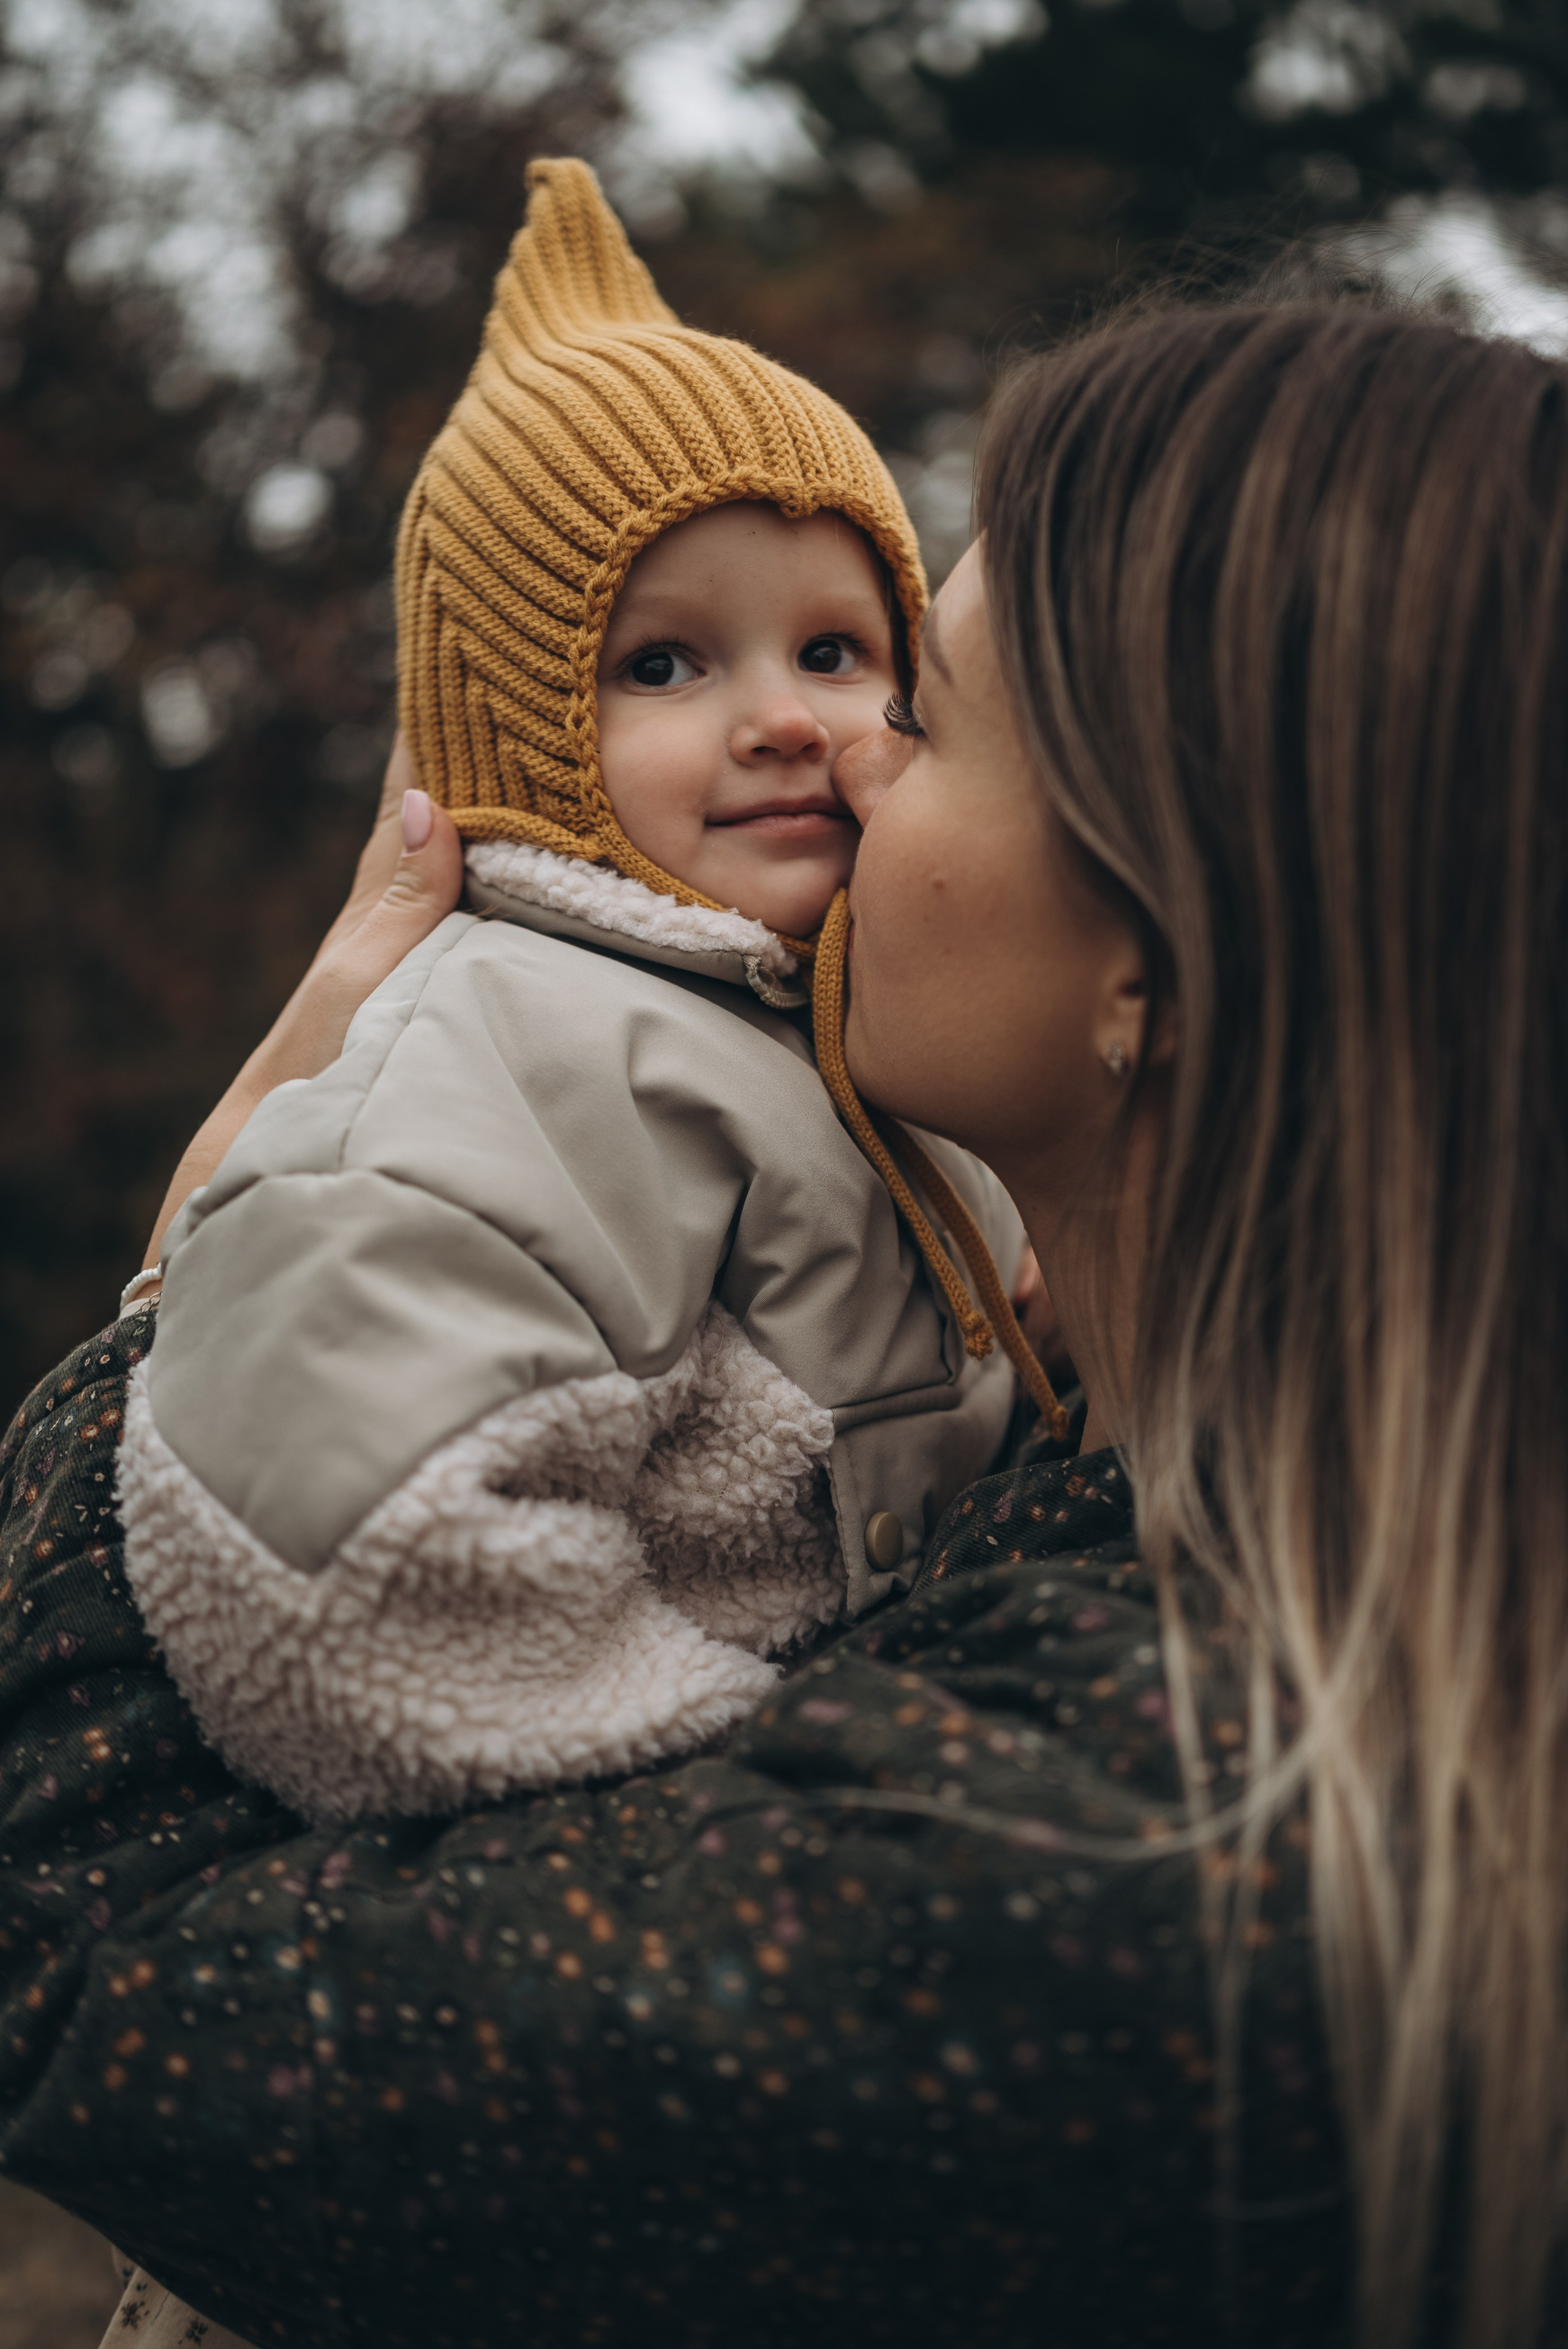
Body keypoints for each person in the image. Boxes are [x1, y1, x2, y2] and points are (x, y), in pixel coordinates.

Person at [4, 289, 1564, 2349]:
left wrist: (198, 1251)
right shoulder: (1215, 1523)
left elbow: (104, 1948)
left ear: (1158, 965)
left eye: (909, 702)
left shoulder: (1126, 1850)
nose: (842, 759)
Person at [113, 157, 1055, 1830]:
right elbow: (351, 1542)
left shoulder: (859, 1005)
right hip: (632, 1834)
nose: (778, 718)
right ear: (513, 729)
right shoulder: (523, 1038)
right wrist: (727, 1766)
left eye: (833, 652)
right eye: (666, 664)